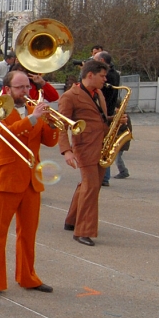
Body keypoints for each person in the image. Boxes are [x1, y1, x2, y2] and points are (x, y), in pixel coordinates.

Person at [0, 70, 58, 298]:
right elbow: (8, 136)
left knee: (28, 233)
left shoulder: (35, 108)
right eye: (20, 88)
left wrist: (52, 123)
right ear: (8, 89)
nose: (25, 92)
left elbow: (49, 142)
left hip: (32, 179)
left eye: (27, 87)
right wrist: (33, 119)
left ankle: (27, 276)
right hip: (8, 178)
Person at [60, 59, 113, 247]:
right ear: (90, 75)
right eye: (102, 76)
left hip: (100, 144)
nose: (105, 80)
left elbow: (98, 117)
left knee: (91, 185)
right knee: (91, 187)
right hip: (84, 147)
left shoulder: (98, 93)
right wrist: (67, 151)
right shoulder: (70, 96)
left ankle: (71, 219)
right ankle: (82, 231)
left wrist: (115, 120)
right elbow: (61, 125)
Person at [95, 52, 130, 183]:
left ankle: (104, 177)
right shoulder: (115, 73)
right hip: (110, 111)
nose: (103, 79)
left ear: (102, 60)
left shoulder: (107, 76)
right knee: (106, 145)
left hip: (106, 113)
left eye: (95, 60)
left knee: (105, 146)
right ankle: (105, 176)